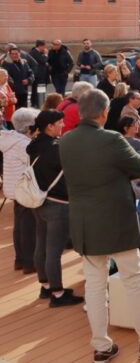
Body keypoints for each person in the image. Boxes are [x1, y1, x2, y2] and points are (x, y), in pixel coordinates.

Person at [59, 89, 140, 363]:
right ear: (104, 112)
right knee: (133, 279)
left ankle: (101, 346)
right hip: (116, 220)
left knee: (95, 285)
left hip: (84, 221)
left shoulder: (66, 140)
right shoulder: (111, 139)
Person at [27, 110, 81, 306]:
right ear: (49, 126)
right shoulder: (56, 148)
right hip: (58, 204)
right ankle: (57, 293)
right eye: (59, 123)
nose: (63, 125)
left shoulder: (33, 145)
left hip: (40, 201)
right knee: (54, 250)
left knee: (41, 245)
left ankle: (46, 285)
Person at [2, 108, 40, 275]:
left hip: (13, 187)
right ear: (29, 127)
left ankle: (20, 259)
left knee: (20, 224)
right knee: (28, 226)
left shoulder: (10, 139)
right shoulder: (24, 144)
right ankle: (28, 262)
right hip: (23, 188)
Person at [28, 40, 50, 107]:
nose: (44, 48)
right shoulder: (34, 52)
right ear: (40, 46)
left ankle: (36, 103)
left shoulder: (39, 52)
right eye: (44, 46)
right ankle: (38, 103)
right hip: (39, 76)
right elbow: (43, 60)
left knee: (38, 90)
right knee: (38, 90)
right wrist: (46, 54)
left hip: (42, 75)